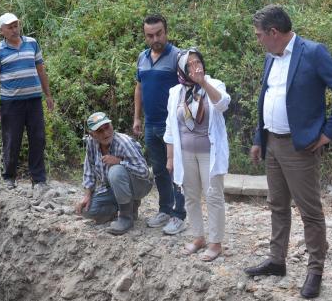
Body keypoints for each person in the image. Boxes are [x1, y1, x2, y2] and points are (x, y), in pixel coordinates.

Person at [244, 4, 332, 299]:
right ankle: (276, 260)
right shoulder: (271, 57)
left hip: (300, 146)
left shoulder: (313, 52)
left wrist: (328, 133)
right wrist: (259, 138)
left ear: (273, 32)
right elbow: (267, 97)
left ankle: (315, 271)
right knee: (277, 204)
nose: (258, 40)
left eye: (259, 35)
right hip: (272, 142)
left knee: (310, 211)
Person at [164, 48, 231, 262]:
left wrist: (203, 83)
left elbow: (222, 104)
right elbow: (170, 127)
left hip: (209, 152)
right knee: (191, 196)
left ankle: (215, 242)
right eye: (189, 64)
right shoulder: (176, 92)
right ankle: (198, 237)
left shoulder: (214, 84)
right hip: (185, 153)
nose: (195, 67)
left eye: (197, 62)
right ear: (182, 69)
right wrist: (170, 158)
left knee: (213, 196)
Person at [0, 12, 55, 193]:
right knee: (11, 140)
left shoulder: (32, 43)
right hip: (11, 104)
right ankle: (9, 178)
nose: (14, 30)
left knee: (38, 139)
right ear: (1, 31)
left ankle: (39, 179)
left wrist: (48, 95)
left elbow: (41, 71)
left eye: (16, 25)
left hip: (34, 101)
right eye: (10, 27)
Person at [133, 14, 187, 235]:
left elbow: (188, 90)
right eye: (150, 35)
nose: (155, 39)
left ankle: (179, 215)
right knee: (159, 170)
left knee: (176, 170)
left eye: (159, 34)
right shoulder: (142, 57)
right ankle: (165, 209)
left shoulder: (178, 57)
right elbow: (139, 88)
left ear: (166, 32)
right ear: (145, 35)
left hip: (172, 125)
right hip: (150, 124)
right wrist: (137, 117)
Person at [75, 112, 154, 235]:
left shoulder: (124, 142)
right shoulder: (91, 143)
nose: (105, 133)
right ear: (92, 134)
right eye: (100, 131)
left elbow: (144, 172)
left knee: (115, 171)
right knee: (87, 210)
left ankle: (126, 218)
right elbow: (89, 169)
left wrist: (120, 162)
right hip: (113, 187)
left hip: (140, 185)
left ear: (111, 125)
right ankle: (127, 207)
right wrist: (87, 195)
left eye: (107, 127)